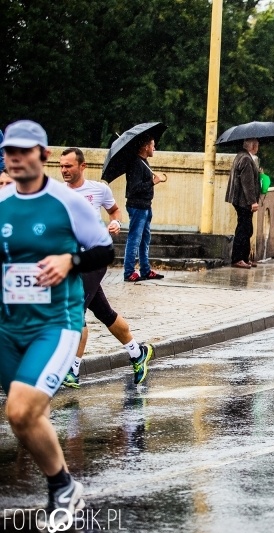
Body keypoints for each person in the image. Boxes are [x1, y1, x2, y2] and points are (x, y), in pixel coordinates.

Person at [0, 120, 115, 528]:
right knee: (27, 417)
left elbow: (104, 250)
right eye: (10, 151)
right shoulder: (2, 203)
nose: (16, 158)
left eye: (25, 151)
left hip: (54, 323)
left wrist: (71, 260)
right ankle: (63, 485)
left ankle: (63, 487)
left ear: (43, 155)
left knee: (20, 410)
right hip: (8, 327)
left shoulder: (67, 202)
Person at [59, 148, 154, 388]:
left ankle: (73, 370)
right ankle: (137, 353)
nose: (64, 170)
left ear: (82, 166)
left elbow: (114, 211)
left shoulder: (99, 190)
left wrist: (115, 223)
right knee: (104, 312)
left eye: (68, 166)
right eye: (61, 166)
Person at [123, 134, 167, 282]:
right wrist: (153, 182)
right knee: (134, 239)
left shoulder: (143, 162)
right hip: (138, 207)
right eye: (152, 145)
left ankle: (145, 270)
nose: (154, 148)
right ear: (146, 147)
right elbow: (134, 188)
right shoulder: (136, 164)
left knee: (144, 240)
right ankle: (129, 272)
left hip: (146, 206)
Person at [225, 138, 261, 269]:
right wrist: (253, 201)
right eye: (257, 145)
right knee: (244, 229)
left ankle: (244, 258)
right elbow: (247, 183)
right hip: (243, 200)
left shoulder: (241, 156)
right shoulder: (246, 159)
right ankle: (238, 258)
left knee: (246, 228)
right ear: (253, 146)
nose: (258, 147)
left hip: (239, 199)